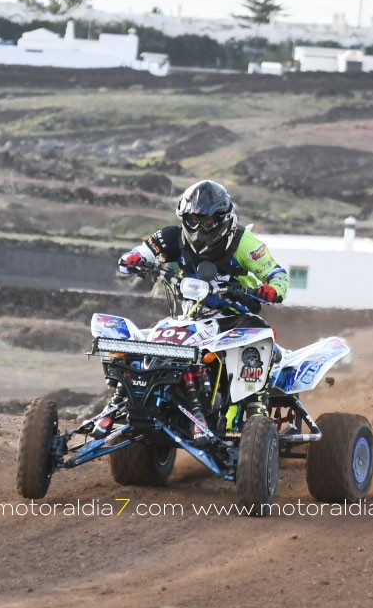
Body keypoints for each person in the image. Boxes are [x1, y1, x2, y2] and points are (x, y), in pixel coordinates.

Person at [117, 180, 290, 438]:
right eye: (193, 219)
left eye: (208, 221)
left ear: (223, 219)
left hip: (234, 316)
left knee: (258, 337)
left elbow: (278, 276)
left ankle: (256, 410)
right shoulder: (172, 236)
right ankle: (135, 402)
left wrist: (270, 289)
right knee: (154, 338)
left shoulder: (244, 242)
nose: (200, 228)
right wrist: (135, 261)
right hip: (190, 315)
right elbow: (137, 255)